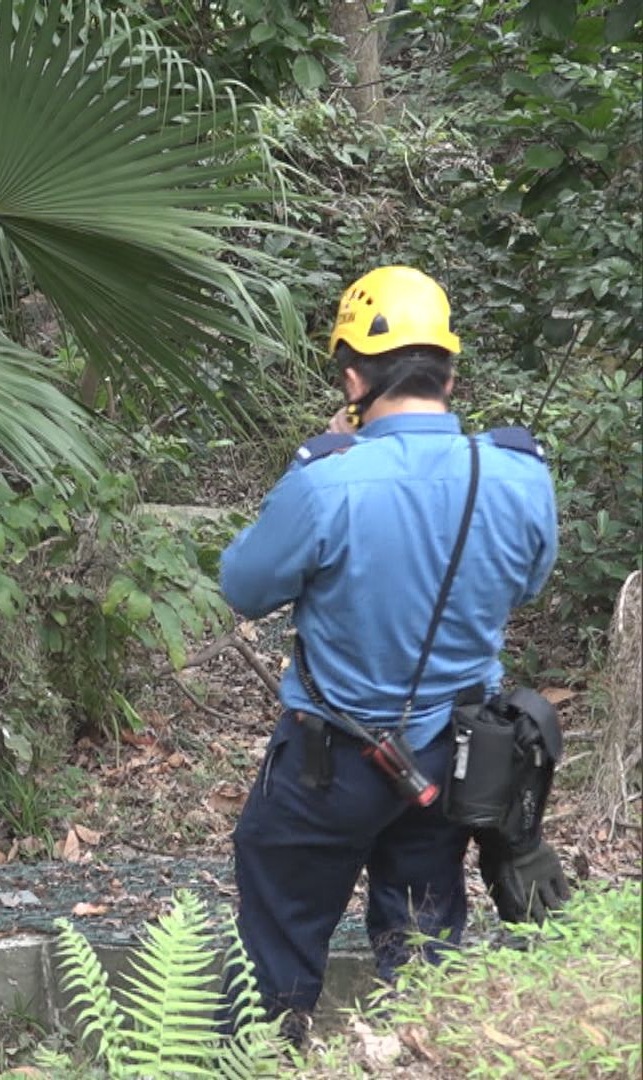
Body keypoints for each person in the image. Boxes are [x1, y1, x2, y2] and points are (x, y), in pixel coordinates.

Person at [220, 266, 563, 1039]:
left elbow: (243, 586)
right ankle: (418, 1052)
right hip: (455, 765)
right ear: (449, 373)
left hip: (327, 767)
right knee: (422, 944)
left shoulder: (326, 481)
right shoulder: (517, 474)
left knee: (275, 946)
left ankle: (263, 1055)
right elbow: (528, 582)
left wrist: (318, 462)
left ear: (353, 380)